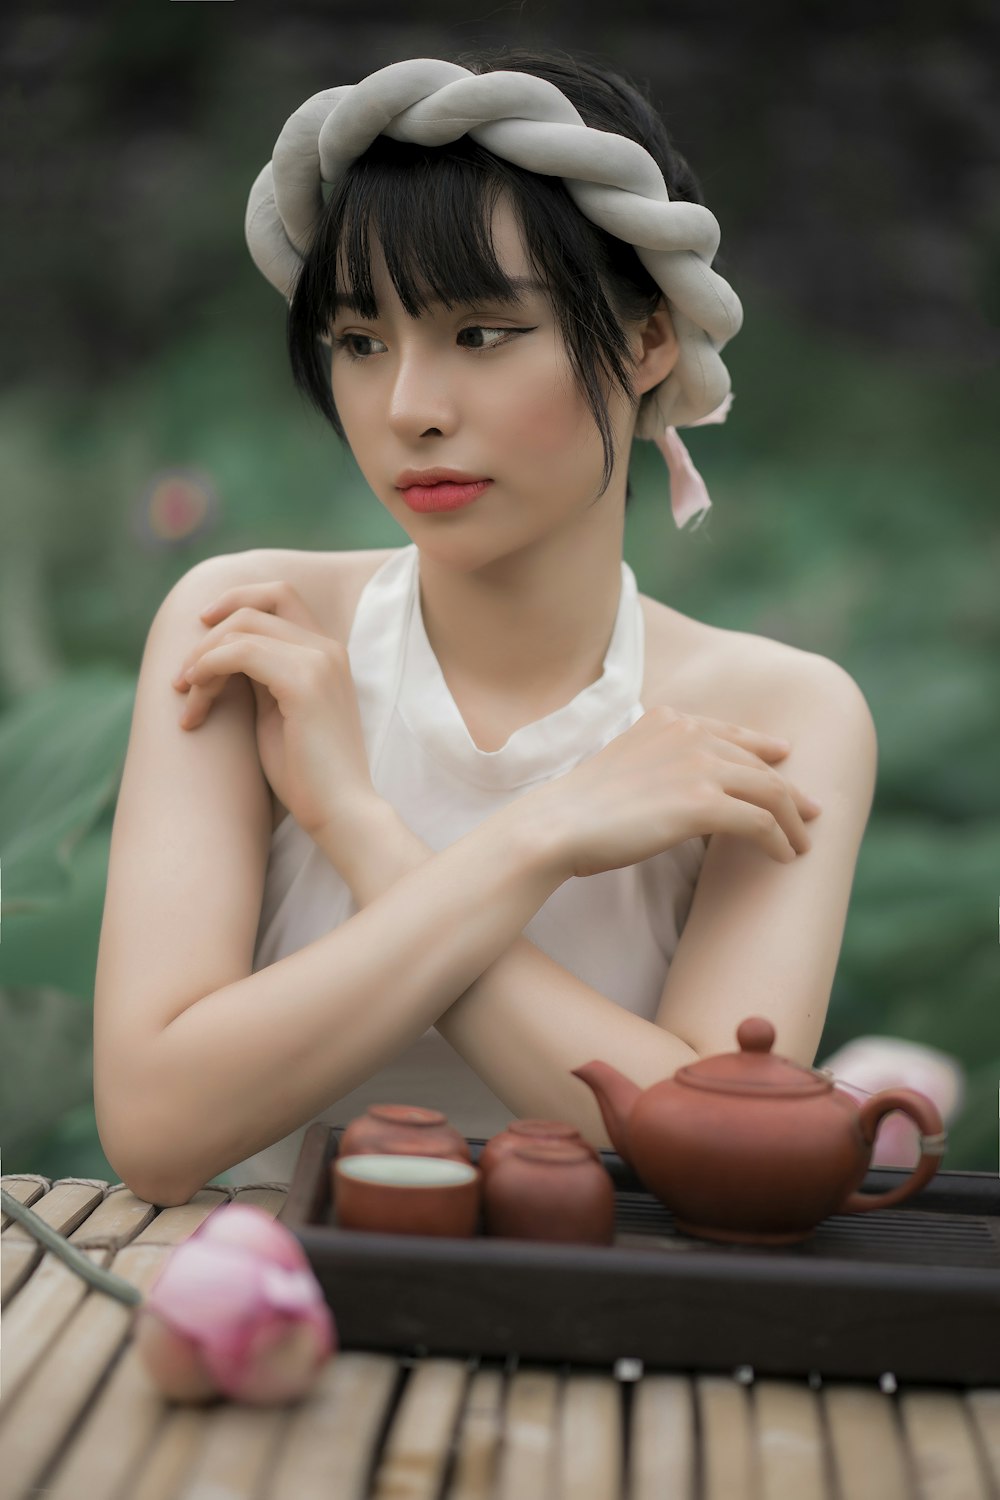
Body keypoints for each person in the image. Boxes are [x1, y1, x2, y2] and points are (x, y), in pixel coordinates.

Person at [92, 49, 877, 1205]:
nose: (409, 408)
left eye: (480, 334)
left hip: (628, 1362)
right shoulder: (253, 629)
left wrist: (359, 829)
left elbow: (721, 1162)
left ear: (648, 340)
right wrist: (540, 837)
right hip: (272, 1326)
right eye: (361, 343)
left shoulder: (777, 716)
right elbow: (156, 1126)